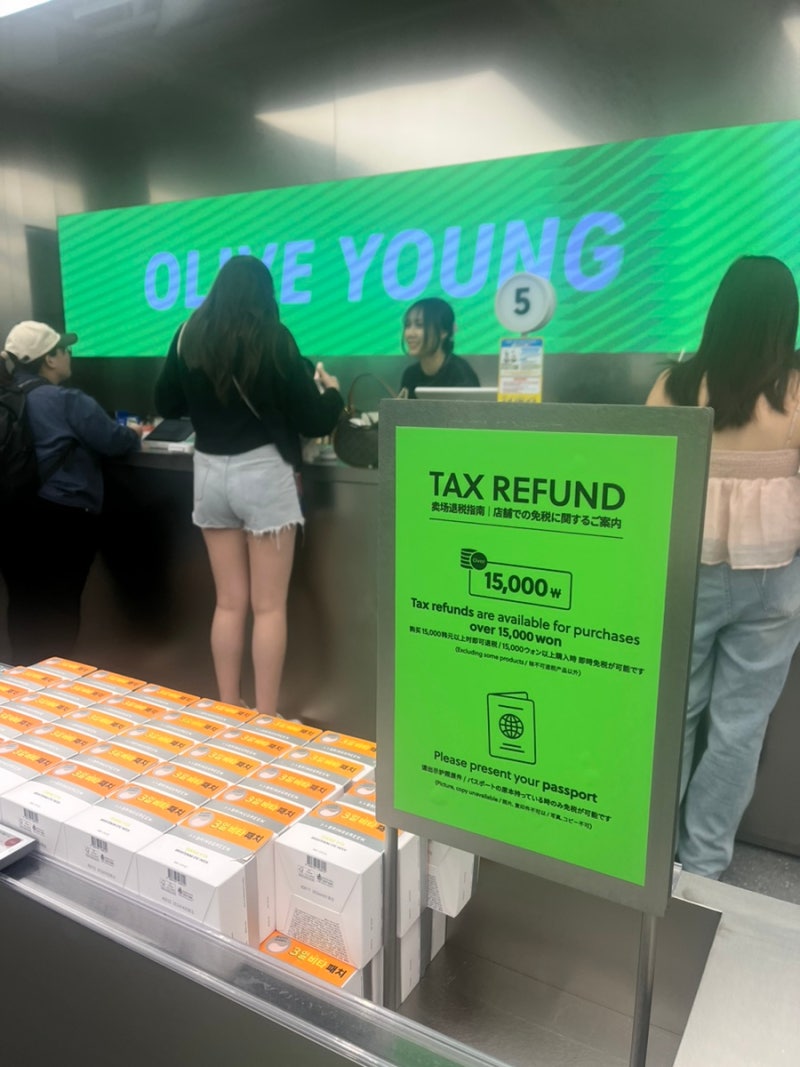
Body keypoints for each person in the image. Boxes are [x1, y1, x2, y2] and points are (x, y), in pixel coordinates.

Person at [646, 255, 800, 879]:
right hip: (773, 581)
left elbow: (644, 480)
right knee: (740, 728)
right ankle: (704, 865)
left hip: (683, 576)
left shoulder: (674, 386)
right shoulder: (795, 391)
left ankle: (652, 853)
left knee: (671, 717)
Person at [154, 255, 343, 716]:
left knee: (228, 603)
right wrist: (334, 392)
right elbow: (314, 419)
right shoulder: (274, 338)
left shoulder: (188, 333)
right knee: (269, 607)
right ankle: (264, 717)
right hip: (262, 473)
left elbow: (165, 402)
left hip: (209, 473)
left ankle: (228, 708)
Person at [1, 320, 142, 664]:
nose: (69, 355)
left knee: (23, 602)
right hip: (63, 518)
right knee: (60, 607)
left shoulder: (5, 398)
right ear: (49, 359)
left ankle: (21, 682)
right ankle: (54, 682)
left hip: (10, 514)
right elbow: (114, 440)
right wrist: (135, 432)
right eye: (64, 349)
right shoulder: (67, 400)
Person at [399, 297, 480, 398]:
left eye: (419, 325)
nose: (410, 334)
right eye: (407, 325)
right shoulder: (410, 375)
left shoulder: (461, 373)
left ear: (443, 332)